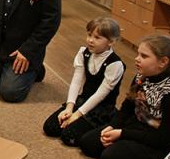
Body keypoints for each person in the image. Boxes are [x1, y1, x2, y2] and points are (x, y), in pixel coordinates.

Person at [79, 35, 170, 159]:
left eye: (144, 56)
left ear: (163, 62)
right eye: (138, 54)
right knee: (87, 143)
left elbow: (165, 138)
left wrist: (122, 134)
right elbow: (126, 107)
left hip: (154, 140)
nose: (137, 58)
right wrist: (113, 126)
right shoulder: (141, 76)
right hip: (134, 127)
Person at [43, 17, 125, 146]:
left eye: (97, 38)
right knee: (50, 127)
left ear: (111, 41)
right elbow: (76, 81)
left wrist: (77, 115)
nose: (90, 40)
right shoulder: (84, 52)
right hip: (83, 101)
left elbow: (101, 94)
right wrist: (69, 108)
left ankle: (103, 125)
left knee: (68, 136)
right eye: (89, 35)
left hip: (101, 108)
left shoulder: (115, 64)